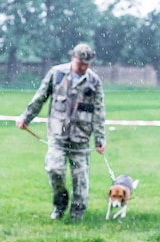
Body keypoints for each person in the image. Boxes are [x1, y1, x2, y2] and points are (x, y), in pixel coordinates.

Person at [16, 43, 106, 222]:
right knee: (54, 170)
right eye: (80, 63)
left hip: (80, 137)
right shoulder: (56, 73)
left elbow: (99, 111)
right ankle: (60, 204)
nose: (83, 67)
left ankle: (77, 214)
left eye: (86, 64)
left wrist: (100, 139)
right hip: (57, 134)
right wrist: (26, 117)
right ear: (73, 58)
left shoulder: (94, 81)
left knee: (80, 179)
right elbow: (40, 96)